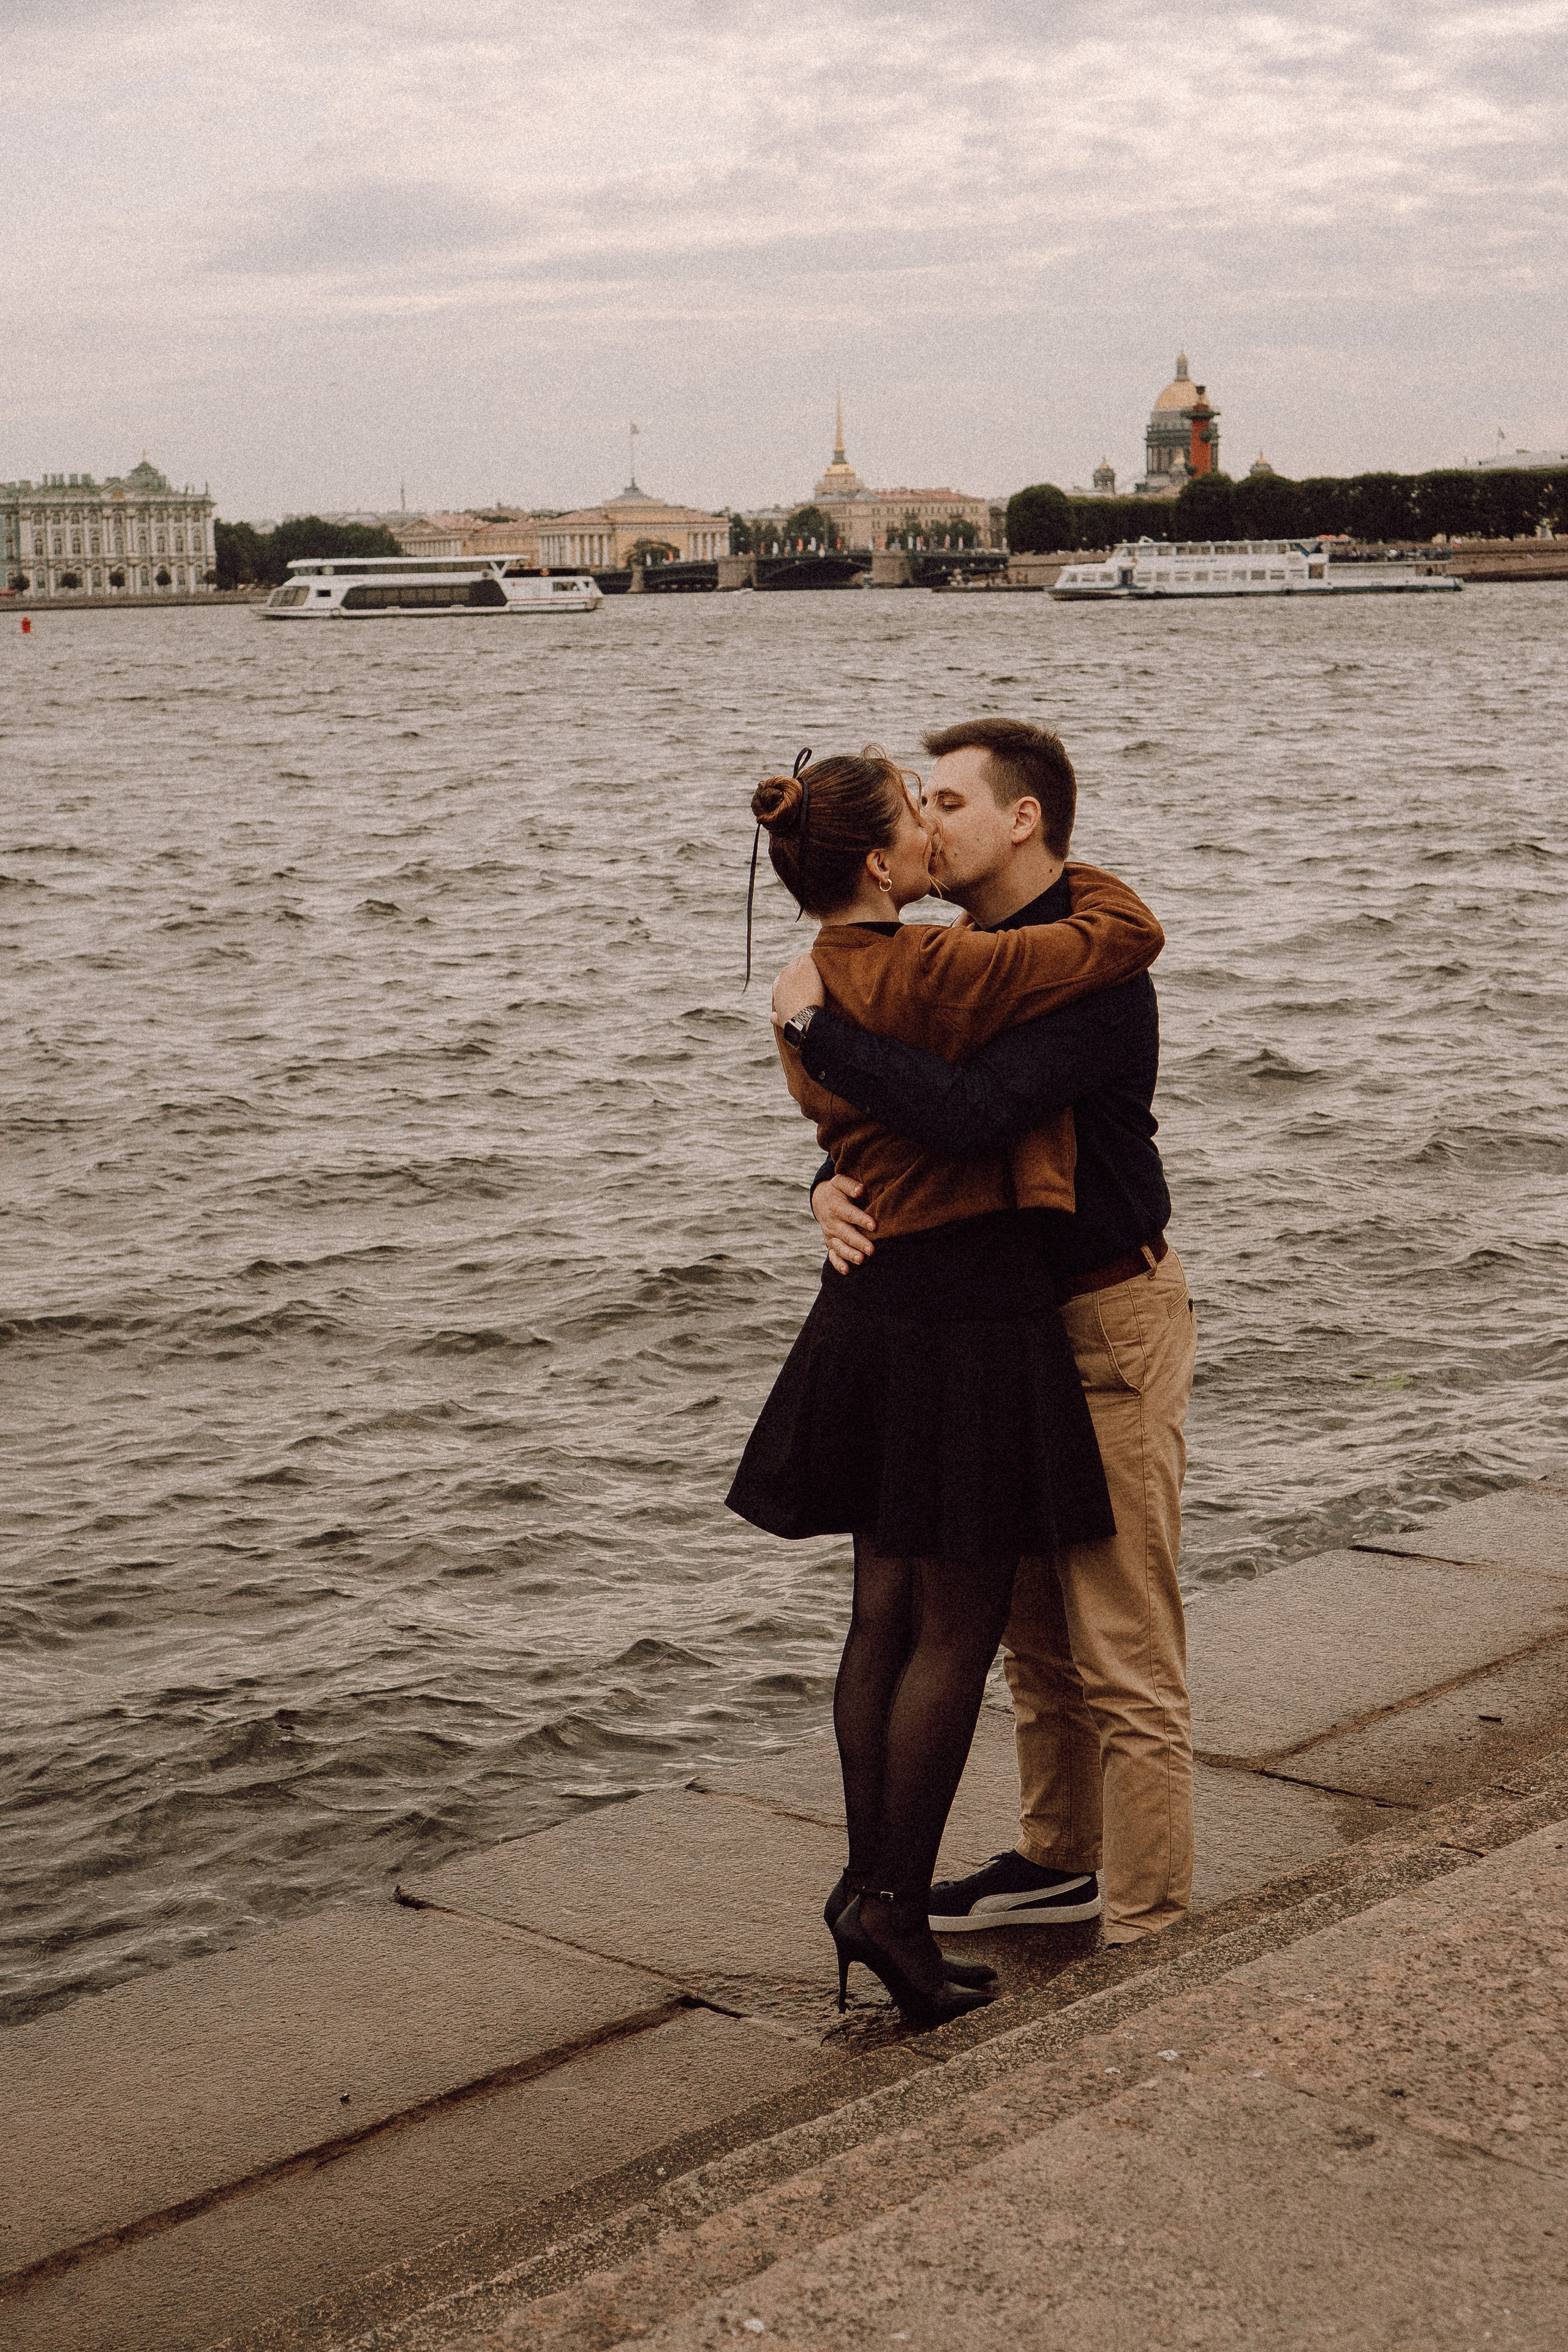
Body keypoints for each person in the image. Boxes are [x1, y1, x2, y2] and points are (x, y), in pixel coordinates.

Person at [727, 745, 1165, 2026]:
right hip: (966, 1308)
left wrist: (810, 1051)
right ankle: (888, 1907)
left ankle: (875, 1892)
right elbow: (1123, 932)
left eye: (944, 800)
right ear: (876, 861)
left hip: (872, 1306)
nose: (928, 824)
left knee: (881, 1612)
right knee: (957, 1626)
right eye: (914, 813)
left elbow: (852, 1125)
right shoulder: (934, 966)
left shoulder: (812, 982)